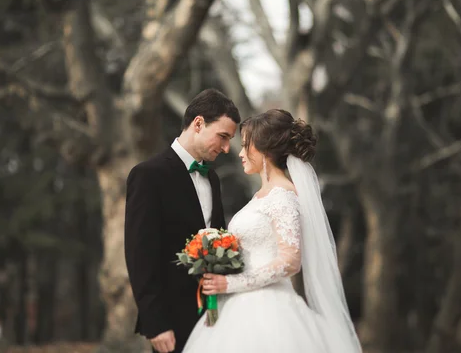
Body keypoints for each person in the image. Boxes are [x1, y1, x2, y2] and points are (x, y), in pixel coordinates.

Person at [183, 109, 362, 352]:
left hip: (269, 310)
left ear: (264, 150)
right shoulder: (260, 196)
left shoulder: (283, 196)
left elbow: (290, 261)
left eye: (246, 145)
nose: (240, 153)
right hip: (237, 307)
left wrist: (231, 284)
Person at [125, 89, 241, 353]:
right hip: (172, 318)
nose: (226, 148)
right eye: (223, 137)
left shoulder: (212, 179)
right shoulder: (147, 175)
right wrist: (155, 322)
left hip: (215, 314)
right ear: (198, 124)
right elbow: (140, 254)